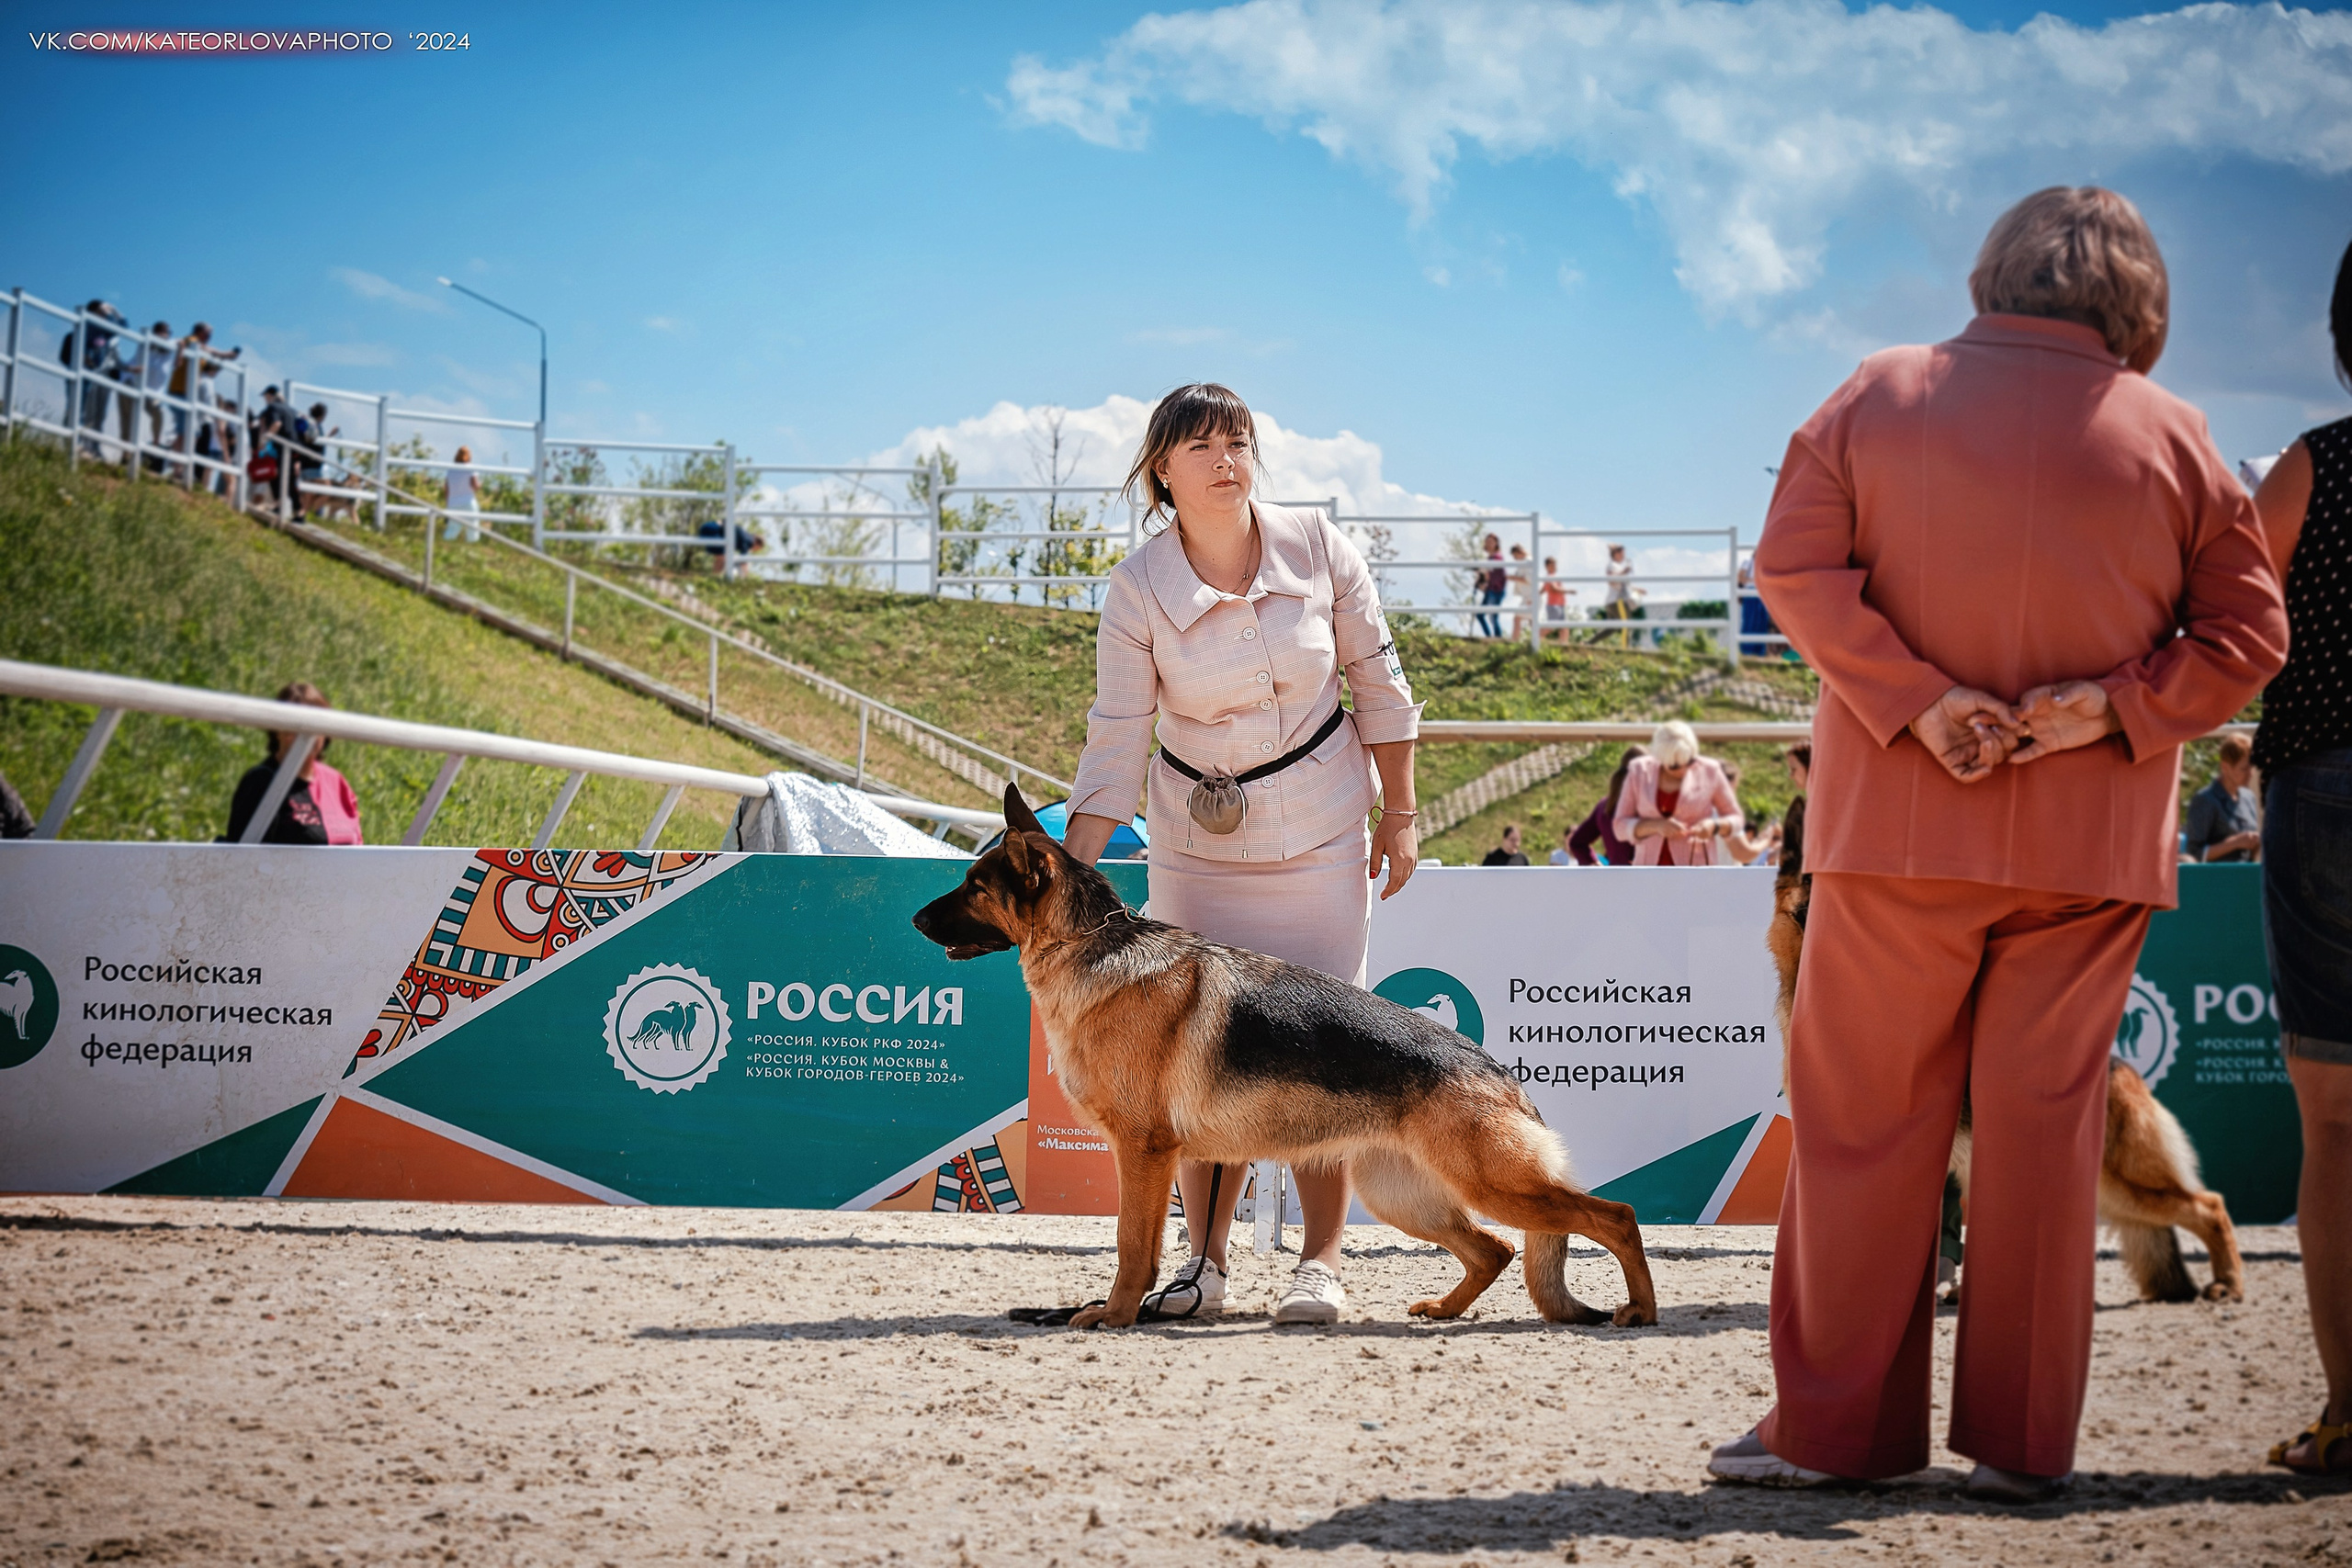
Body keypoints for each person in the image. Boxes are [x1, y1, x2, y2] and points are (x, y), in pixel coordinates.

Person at [1715, 186, 2287, 1502]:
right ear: (2139, 300)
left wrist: (1919, 699)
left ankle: (1834, 1430)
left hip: (1901, 827)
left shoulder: (1878, 391)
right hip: (2089, 847)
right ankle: (2024, 1443)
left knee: (1863, 1129)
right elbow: (2250, 639)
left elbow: (1791, 567)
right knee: (2044, 1135)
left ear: (1994, 272)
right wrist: (2119, 708)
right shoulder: (2181, 435)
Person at [1059, 382, 1421, 1327]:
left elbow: (1380, 684)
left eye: (1240, 441)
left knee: (1331, 1045)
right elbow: (1115, 734)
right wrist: (1073, 867)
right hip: (1194, 844)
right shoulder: (1136, 584)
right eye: (1202, 445)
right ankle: (1203, 1266)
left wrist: (1403, 813)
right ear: (1161, 471)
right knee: (1192, 1057)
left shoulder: (1320, 543)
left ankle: (1321, 1266)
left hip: (1322, 829)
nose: (1227, 458)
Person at [2249, 233, 2352, 1479]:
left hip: (2328, 777)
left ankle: (2347, 1410)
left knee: (2335, 1121)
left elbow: (2231, 629)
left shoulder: (2317, 464)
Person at [223, 682, 366, 845]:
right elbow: (240, 860)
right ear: (277, 730)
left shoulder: (336, 782)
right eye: (294, 726)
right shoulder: (261, 782)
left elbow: (358, 845)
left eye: (315, 725)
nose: (304, 735)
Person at [1615, 721, 1741, 866]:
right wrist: (1656, 826)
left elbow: (1736, 819)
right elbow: (1620, 827)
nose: (1683, 771)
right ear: (1660, 760)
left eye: (1689, 761)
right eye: (1674, 766)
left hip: (1696, 873)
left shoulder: (1710, 770)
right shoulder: (1639, 771)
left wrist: (1714, 826)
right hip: (1649, 874)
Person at [2182, 735, 2261, 863]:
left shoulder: (2249, 798)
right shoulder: (2204, 800)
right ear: (2225, 767)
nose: (2250, 774)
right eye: (2244, 769)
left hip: (2244, 875)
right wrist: (2234, 843)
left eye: (2251, 768)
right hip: (2216, 877)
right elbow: (2194, 854)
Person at [1567, 746, 1645, 865]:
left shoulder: (1605, 806)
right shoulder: (1649, 807)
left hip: (1616, 879)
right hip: (1649, 879)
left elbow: (1577, 842)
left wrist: (1595, 865)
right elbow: (1577, 842)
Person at [1711, 761, 1781, 865]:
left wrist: (1757, 843)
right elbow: (1744, 855)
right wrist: (1767, 839)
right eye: (1734, 788)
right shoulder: (1724, 813)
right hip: (1723, 878)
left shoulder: (1697, 810)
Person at [443, 446, 480, 541]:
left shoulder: (450, 470)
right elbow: (475, 486)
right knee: (473, 528)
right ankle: (472, 547)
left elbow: (447, 489)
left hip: (453, 503)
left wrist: (447, 505)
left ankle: (446, 546)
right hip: (468, 501)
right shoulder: (470, 468)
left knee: (452, 529)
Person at [1474, 534, 1506, 637]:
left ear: (1496, 543)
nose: (1489, 544)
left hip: (1496, 591)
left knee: (1493, 616)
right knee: (1481, 615)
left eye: (1491, 542)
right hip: (1491, 590)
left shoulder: (1497, 557)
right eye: (1487, 542)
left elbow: (1491, 573)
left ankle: (1497, 638)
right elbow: (1489, 575)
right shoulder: (1491, 558)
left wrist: (1481, 571)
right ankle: (1490, 638)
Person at [1539, 555, 1574, 644]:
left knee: (1565, 626)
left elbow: (1542, 590)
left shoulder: (1551, 577)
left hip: (1560, 605)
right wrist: (1568, 591)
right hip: (1554, 605)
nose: (1555, 567)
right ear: (1547, 566)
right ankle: (1536, 638)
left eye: (1555, 565)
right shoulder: (1549, 577)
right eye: (1553, 565)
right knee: (1550, 627)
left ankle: (1564, 644)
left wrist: (1536, 595)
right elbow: (1554, 588)